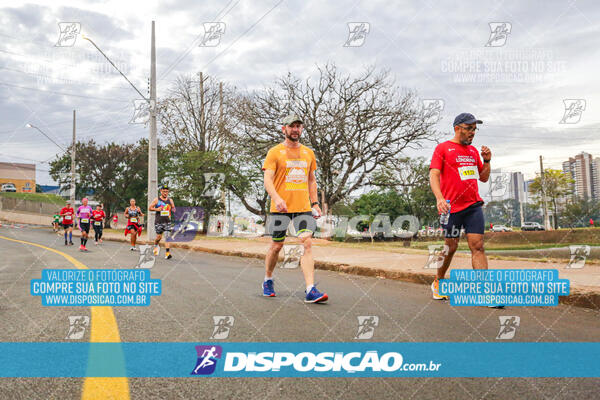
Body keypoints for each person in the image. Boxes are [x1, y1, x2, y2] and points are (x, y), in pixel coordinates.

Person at [261, 113, 326, 303]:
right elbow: (267, 179)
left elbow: (312, 180)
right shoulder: (275, 152)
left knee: (306, 243)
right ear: (284, 129)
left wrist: (315, 203)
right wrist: (276, 197)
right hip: (279, 208)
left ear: (302, 129)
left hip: (303, 207)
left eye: (298, 126)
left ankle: (310, 289)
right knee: (276, 246)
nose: (295, 129)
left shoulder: (308, 153)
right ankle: (268, 279)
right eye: (292, 126)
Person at [429, 113, 492, 301]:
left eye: (474, 129)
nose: (472, 133)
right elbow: (434, 174)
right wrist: (439, 198)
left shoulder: (473, 152)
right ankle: (438, 281)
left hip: (473, 206)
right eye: (469, 128)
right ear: (457, 128)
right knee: (451, 247)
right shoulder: (443, 149)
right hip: (451, 208)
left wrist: (487, 161)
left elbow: (483, 177)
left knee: (478, 246)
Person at [149, 184, 175, 259]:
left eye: (166, 191)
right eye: (164, 191)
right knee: (159, 237)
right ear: (161, 191)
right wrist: (157, 209)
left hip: (167, 222)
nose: (165, 193)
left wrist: (172, 209)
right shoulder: (156, 200)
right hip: (158, 222)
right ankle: (156, 245)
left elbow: (173, 208)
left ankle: (167, 253)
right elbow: (150, 208)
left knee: (167, 237)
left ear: (168, 192)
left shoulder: (170, 200)